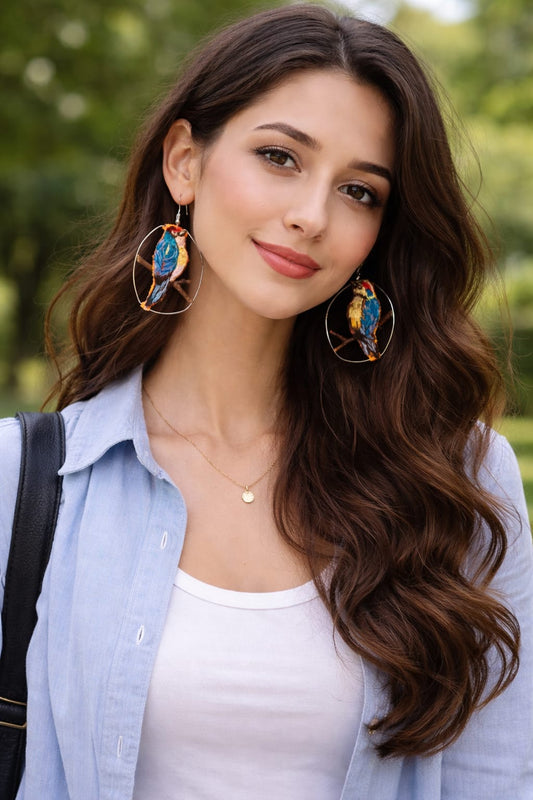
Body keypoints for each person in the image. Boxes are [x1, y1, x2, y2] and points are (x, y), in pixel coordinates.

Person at [1, 4, 532, 798]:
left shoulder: (455, 477)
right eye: (280, 157)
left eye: (359, 191)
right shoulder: (26, 479)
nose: (310, 215)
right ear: (184, 161)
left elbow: (496, 780)